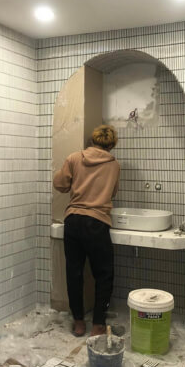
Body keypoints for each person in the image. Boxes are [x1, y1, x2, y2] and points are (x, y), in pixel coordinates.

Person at [53, 125, 120, 336]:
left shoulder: (74, 158)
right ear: (111, 145)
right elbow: (113, 192)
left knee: (74, 273)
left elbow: (59, 184)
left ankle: (79, 322)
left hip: (73, 221)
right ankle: (98, 324)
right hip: (97, 222)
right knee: (104, 274)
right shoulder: (114, 165)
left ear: (92, 140)